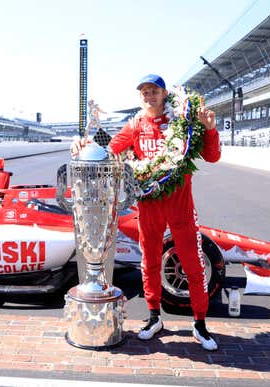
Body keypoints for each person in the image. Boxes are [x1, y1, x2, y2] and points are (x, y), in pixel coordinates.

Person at [71, 74, 221, 351]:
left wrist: (210, 130)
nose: (149, 96)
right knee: (150, 261)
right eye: (144, 92)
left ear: (164, 94)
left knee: (192, 263)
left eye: (154, 91)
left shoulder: (182, 121)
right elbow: (108, 151)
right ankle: (154, 318)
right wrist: (84, 145)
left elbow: (212, 157)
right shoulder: (135, 125)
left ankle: (200, 323)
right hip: (149, 203)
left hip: (180, 203)